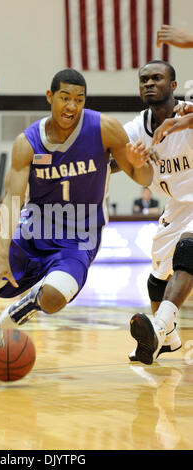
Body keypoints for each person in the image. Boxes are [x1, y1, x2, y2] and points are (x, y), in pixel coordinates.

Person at [0, 68, 155, 377]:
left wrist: (141, 166)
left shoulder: (105, 128)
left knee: (54, 296)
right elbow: (11, 199)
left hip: (79, 236)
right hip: (33, 230)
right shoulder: (28, 142)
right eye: (65, 98)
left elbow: (143, 177)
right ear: (50, 97)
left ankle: (25, 306)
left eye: (79, 99)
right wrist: (1, 254)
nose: (72, 106)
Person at [122, 60, 193, 365]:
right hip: (176, 205)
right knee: (156, 279)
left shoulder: (188, 112)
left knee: (188, 251)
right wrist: (131, 161)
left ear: (173, 86)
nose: (149, 83)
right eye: (144, 79)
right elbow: (115, 164)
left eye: (157, 78)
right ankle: (169, 341)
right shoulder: (135, 129)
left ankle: (161, 326)